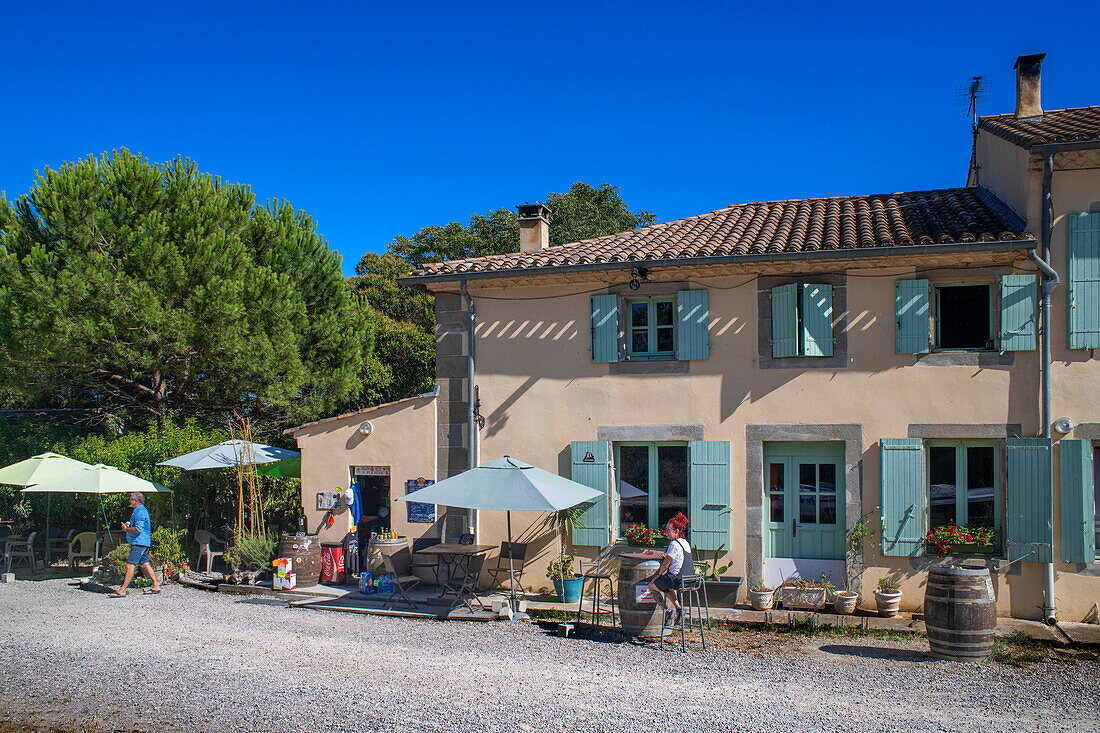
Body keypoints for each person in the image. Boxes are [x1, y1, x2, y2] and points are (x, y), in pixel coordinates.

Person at [108, 492, 162, 597]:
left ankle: (122, 590)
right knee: (144, 564)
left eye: (131, 499)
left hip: (139, 542)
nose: (129, 500)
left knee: (130, 565)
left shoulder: (140, 512)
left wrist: (126, 529)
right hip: (143, 542)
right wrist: (130, 524)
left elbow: (138, 529)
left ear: (135, 501)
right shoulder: (139, 511)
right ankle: (156, 586)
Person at [648, 512, 692, 627]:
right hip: (687, 580)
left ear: (676, 531)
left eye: (669, 530)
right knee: (666, 586)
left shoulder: (673, 544)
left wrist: (657, 576)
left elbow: (665, 565)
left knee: (652, 586)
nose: (666, 532)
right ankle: (679, 609)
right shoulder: (685, 543)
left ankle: (667, 612)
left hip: (676, 580)